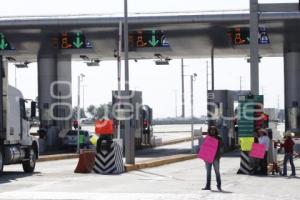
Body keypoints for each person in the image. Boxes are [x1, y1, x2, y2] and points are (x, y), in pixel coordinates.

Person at [202, 126, 224, 191]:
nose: (212, 131)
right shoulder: (207, 138)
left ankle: (219, 186)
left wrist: (219, 155)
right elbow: (204, 147)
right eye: (211, 130)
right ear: (209, 131)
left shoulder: (219, 138)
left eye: (213, 130)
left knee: (217, 172)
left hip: (216, 158)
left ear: (215, 131)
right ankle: (208, 186)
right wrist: (204, 157)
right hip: (208, 158)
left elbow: (222, 146)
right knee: (208, 172)